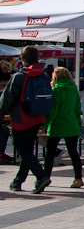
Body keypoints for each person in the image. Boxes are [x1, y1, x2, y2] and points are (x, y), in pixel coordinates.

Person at [0, 46, 50, 193]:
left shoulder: (19, 77)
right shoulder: (44, 75)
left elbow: (6, 100)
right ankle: (18, 181)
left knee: (23, 150)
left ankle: (41, 176)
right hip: (38, 116)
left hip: (21, 118)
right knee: (27, 149)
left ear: (22, 59)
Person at [42, 67, 84, 190]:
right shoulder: (74, 89)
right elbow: (78, 109)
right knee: (73, 153)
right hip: (71, 125)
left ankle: (45, 177)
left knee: (50, 154)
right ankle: (78, 178)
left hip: (57, 125)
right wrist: (79, 123)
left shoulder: (56, 90)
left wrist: (44, 124)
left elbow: (53, 111)